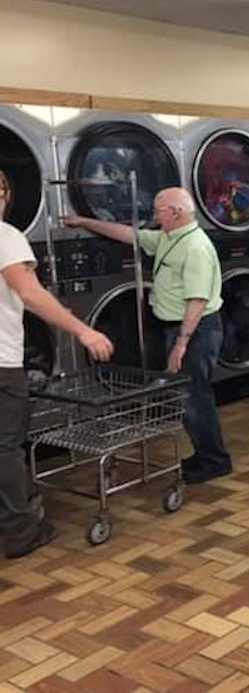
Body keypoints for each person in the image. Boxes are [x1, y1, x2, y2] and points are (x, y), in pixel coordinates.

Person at [65, 187, 231, 484]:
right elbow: (130, 235)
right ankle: (206, 454)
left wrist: (181, 343)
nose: (153, 216)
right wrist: (86, 222)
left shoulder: (195, 247)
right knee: (188, 397)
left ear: (176, 213)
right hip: (179, 328)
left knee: (194, 398)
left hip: (195, 330)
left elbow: (197, 300)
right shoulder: (170, 238)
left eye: (158, 211)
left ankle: (215, 461)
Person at [1, 171, 114, 558]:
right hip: (1, 364)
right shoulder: (6, 236)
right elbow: (30, 293)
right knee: (6, 449)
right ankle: (23, 532)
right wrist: (83, 330)